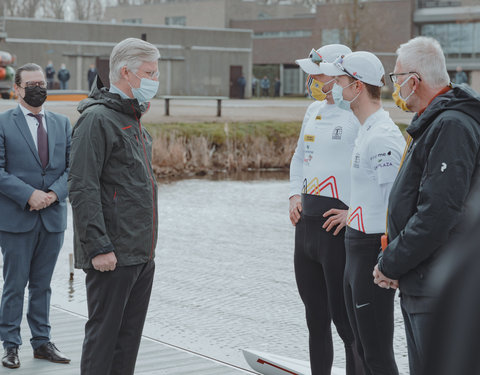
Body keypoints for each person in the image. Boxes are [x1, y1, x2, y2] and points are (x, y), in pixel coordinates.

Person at [373, 36, 480, 375]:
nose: (394, 86)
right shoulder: (435, 121)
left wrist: (391, 263)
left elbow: (438, 212)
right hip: (419, 279)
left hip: (434, 283)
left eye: (395, 78)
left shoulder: (452, 126)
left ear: (413, 81)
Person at [68, 37, 160, 375]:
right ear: (126, 72)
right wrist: (98, 247)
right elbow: (82, 186)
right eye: (150, 72)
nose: (155, 79)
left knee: (128, 341)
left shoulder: (131, 118)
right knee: (104, 338)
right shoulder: (97, 120)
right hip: (111, 254)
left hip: (140, 252)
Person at [323, 51, 405, 375]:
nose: (335, 88)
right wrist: (352, 213)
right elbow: (372, 195)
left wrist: (390, 262)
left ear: (357, 87)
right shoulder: (365, 131)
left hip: (372, 253)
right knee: (360, 347)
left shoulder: (382, 136)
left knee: (377, 355)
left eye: (340, 82)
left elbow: (395, 207)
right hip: (354, 247)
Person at [290, 44, 364, 375]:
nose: (314, 81)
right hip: (306, 228)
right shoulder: (313, 111)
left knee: (345, 322)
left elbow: (379, 176)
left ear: (338, 76)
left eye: (319, 75)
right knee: (315, 319)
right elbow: (299, 158)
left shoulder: (359, 117)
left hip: (339, 231)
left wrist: (354, 212)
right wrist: (294, 195)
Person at [0, 63, 71, 369]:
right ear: (17, 89)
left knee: (42, 286)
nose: (38, 88)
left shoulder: (63, 123)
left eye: (41, 82)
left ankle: (42, 342)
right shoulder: (3, 123)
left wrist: (54, 194)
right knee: (14, 285)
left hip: (53, 219)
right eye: (31, 84)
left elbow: (73, 168)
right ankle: (11, 344)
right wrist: (29, 194)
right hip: (16, 219)